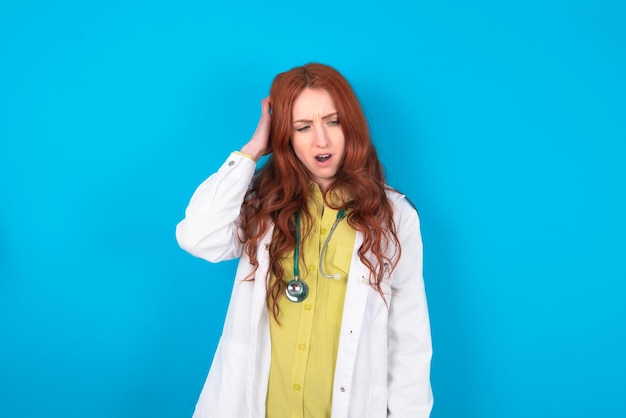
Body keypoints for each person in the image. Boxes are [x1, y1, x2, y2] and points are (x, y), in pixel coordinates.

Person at [176, 63, 433, 418]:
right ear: (285, 136)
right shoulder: (261, 203)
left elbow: (410, 338)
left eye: (332, 121)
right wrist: (253, 148)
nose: (321, 140)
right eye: (302, 127)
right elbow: (198, 237)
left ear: (351, 125)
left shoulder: (394, 215)